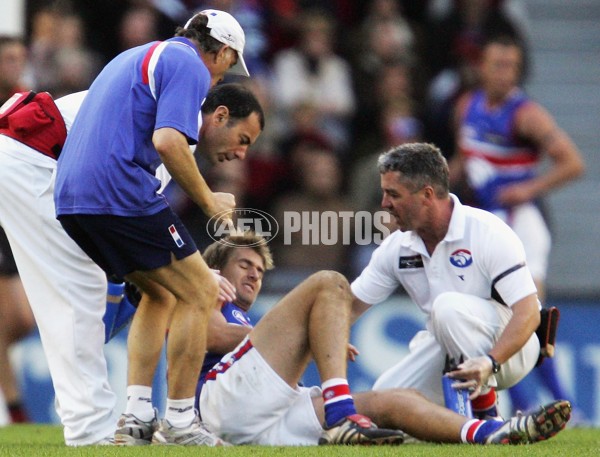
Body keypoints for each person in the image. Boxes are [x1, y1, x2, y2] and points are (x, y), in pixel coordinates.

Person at [0, 83, 263, 445]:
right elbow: (139, 210)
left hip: (29, 158)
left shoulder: (162, 108)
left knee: (149, 291)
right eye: (243, 138)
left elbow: (138, 212)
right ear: (220, 117)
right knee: (82, 295)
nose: (242, 153)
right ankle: (97, 427)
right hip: (31, 162)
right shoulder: (175, 130)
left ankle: (133, 415)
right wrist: (196, 270)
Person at [195, 231, 570, 446]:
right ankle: (341, 413)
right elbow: (209, 335)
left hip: (269, 420)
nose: (254, 275)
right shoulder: (205, 289)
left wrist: (309, 336)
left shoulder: (248, 323)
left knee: (395, 401)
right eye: (244, 265)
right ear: (217, 268)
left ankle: (491, 432)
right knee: (329, 283)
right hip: (222, 405)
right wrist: (305, 335)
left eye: (259, 270)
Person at [351, 142, 543, 421]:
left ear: (427, 195)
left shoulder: (487, 231)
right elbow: (352, 305)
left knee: (447, 308)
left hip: (511, 351)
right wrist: (334, 335)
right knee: (386, 402)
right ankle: (464, 425)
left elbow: (529, 313)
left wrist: (489, 362)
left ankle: (487, 414)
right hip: (448, 350)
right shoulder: (397, 247)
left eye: (393, 194)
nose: (384, 204)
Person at [451, 35, 585, 418]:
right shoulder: (467, 106)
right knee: (497, 313)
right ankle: (524, 406)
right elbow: (466, 158)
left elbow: (573, 162)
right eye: (498, 64)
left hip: (524, 220)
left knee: (530, 310)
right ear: (481, 67)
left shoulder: (526, 114)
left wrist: (526, 188)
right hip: (488, 217)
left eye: (512, 66)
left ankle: (564, 405)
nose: (505, 73)